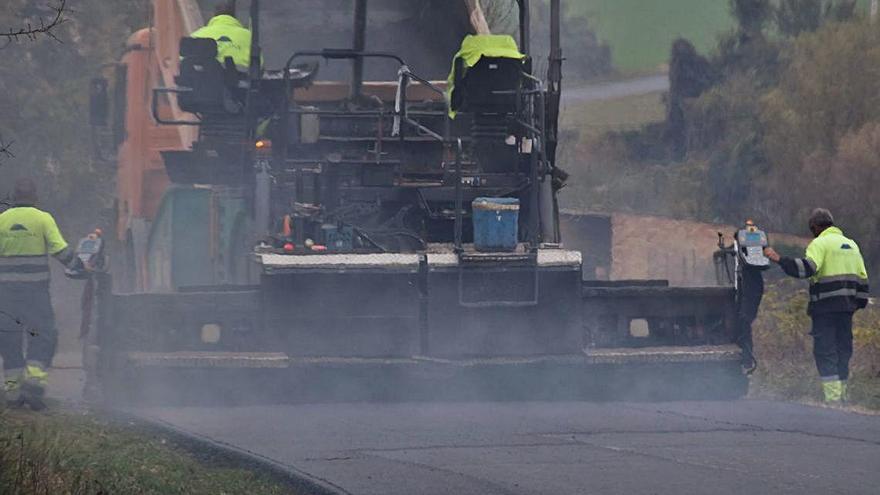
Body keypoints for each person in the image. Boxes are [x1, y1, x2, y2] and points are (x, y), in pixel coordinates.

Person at [764, 208, 870, 404]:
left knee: (825, 350)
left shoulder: (819, 244)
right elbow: (863, 279)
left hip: (825, 309)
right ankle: (843, 395)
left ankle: (832, 398)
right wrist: (857, 304)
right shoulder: (851, 244)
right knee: (843, 350)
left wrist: (779, 259)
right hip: (847, 309)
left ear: (815, 227)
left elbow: (807, 269)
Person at [0, 178, 74, 409]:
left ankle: (12, 394)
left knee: (9, 339)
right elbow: (60, 250)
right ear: (35, 198)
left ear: (13, 199)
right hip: (35, 295)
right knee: (42, 335)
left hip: (6, 296)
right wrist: (80, 266)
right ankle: (34, 382)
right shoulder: (43, 219)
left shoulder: (1, 221)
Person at [190, 0, 253, 70]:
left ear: (214, 16)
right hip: (239, 78)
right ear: (234, 17)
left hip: (203, 79)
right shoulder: (248, 35)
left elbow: (184, 61)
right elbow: (258, 62)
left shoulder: (196, 35)